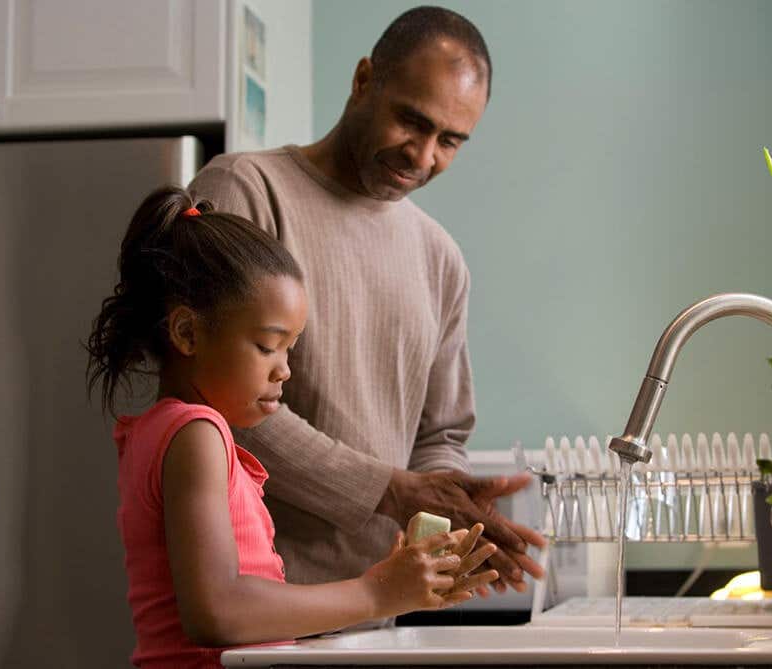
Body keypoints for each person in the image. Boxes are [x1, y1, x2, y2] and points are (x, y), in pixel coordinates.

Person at [188, 6, 545, 597]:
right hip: (252, 606)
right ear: (362, 82)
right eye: (412, 120)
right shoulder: (245, 191)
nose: (423, 156)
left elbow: (440, 435)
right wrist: (392, 490)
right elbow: (215, 400)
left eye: (450, 141)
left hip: (376, 610)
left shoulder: (441, 259)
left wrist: (447, 505)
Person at [86, 185, 498, 668]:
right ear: (187, 333)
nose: (284, 370)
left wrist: (393, 585)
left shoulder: (165, 431)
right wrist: (377, 592)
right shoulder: (196, 434)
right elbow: (217, 611)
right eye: (267, 346)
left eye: (290, 349)